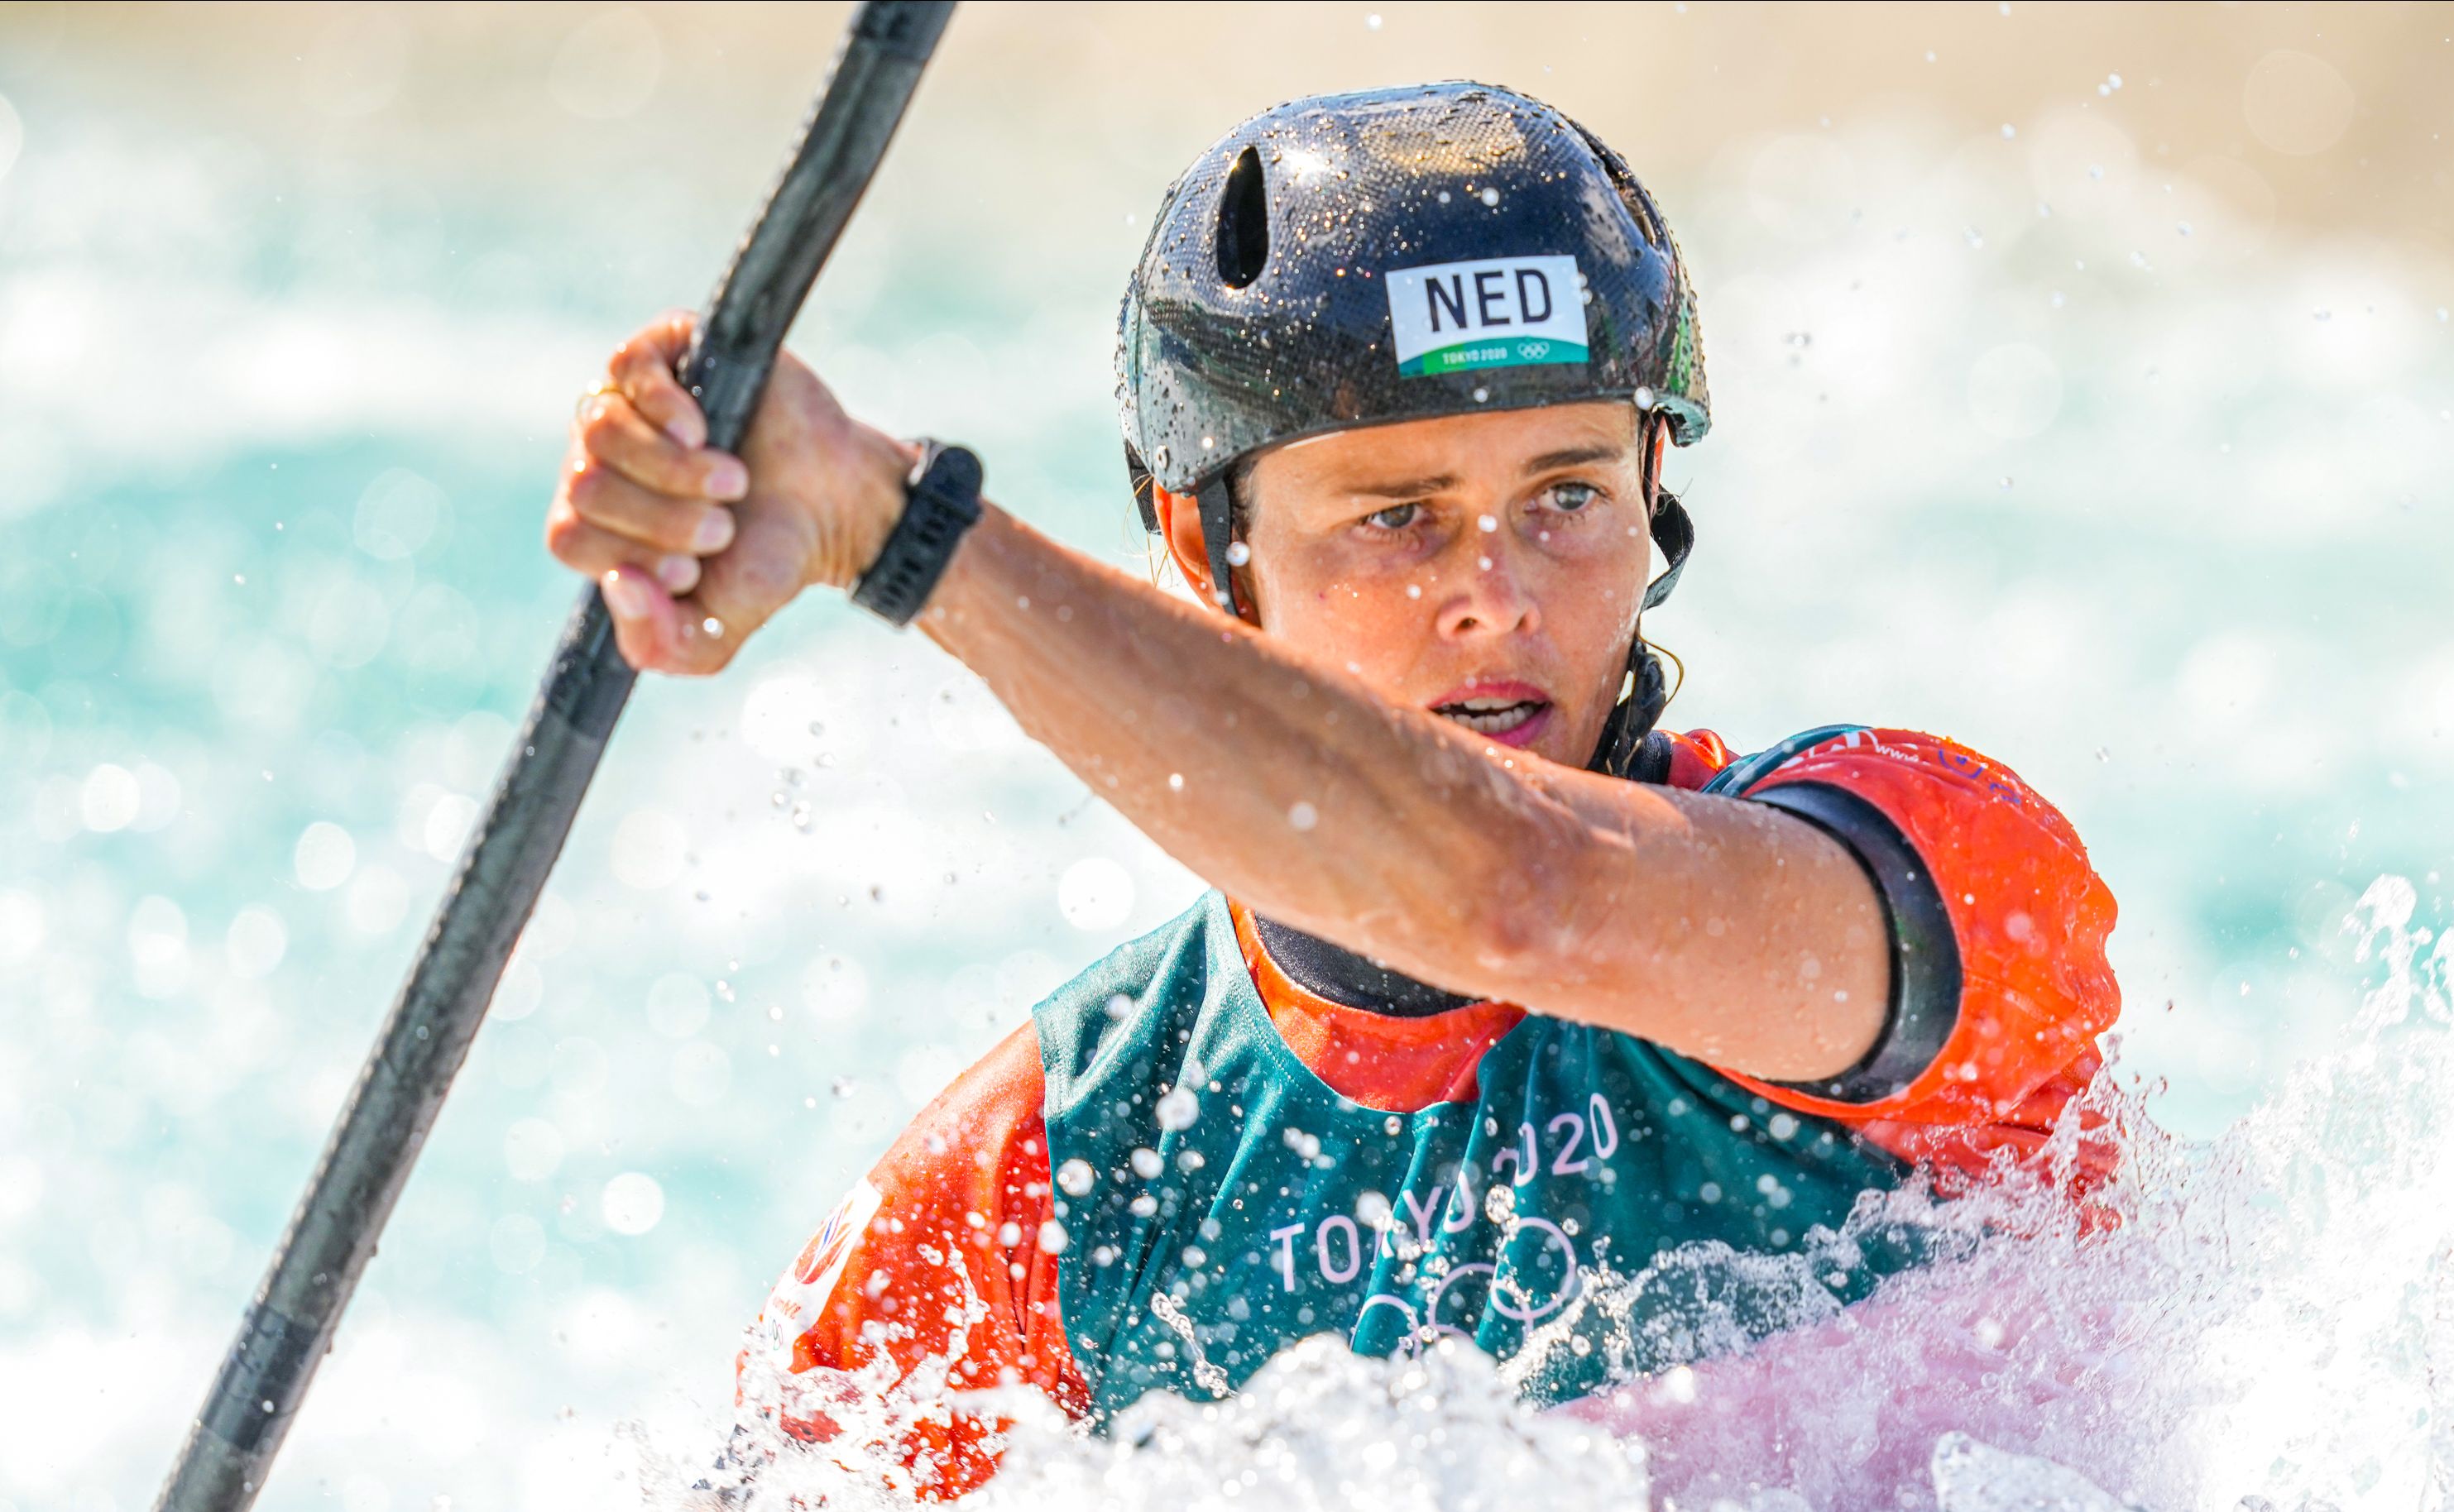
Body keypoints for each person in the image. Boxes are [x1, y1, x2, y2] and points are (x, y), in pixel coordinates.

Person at [544, 82, 2119, 1499]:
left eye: (1566, 493)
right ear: (1196, 542)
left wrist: (900, 536)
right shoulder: (1054, 1178)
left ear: (1655, 495)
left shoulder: (1926, 883)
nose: (1497, 596)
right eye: (1396, 517)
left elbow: (1519, 897)